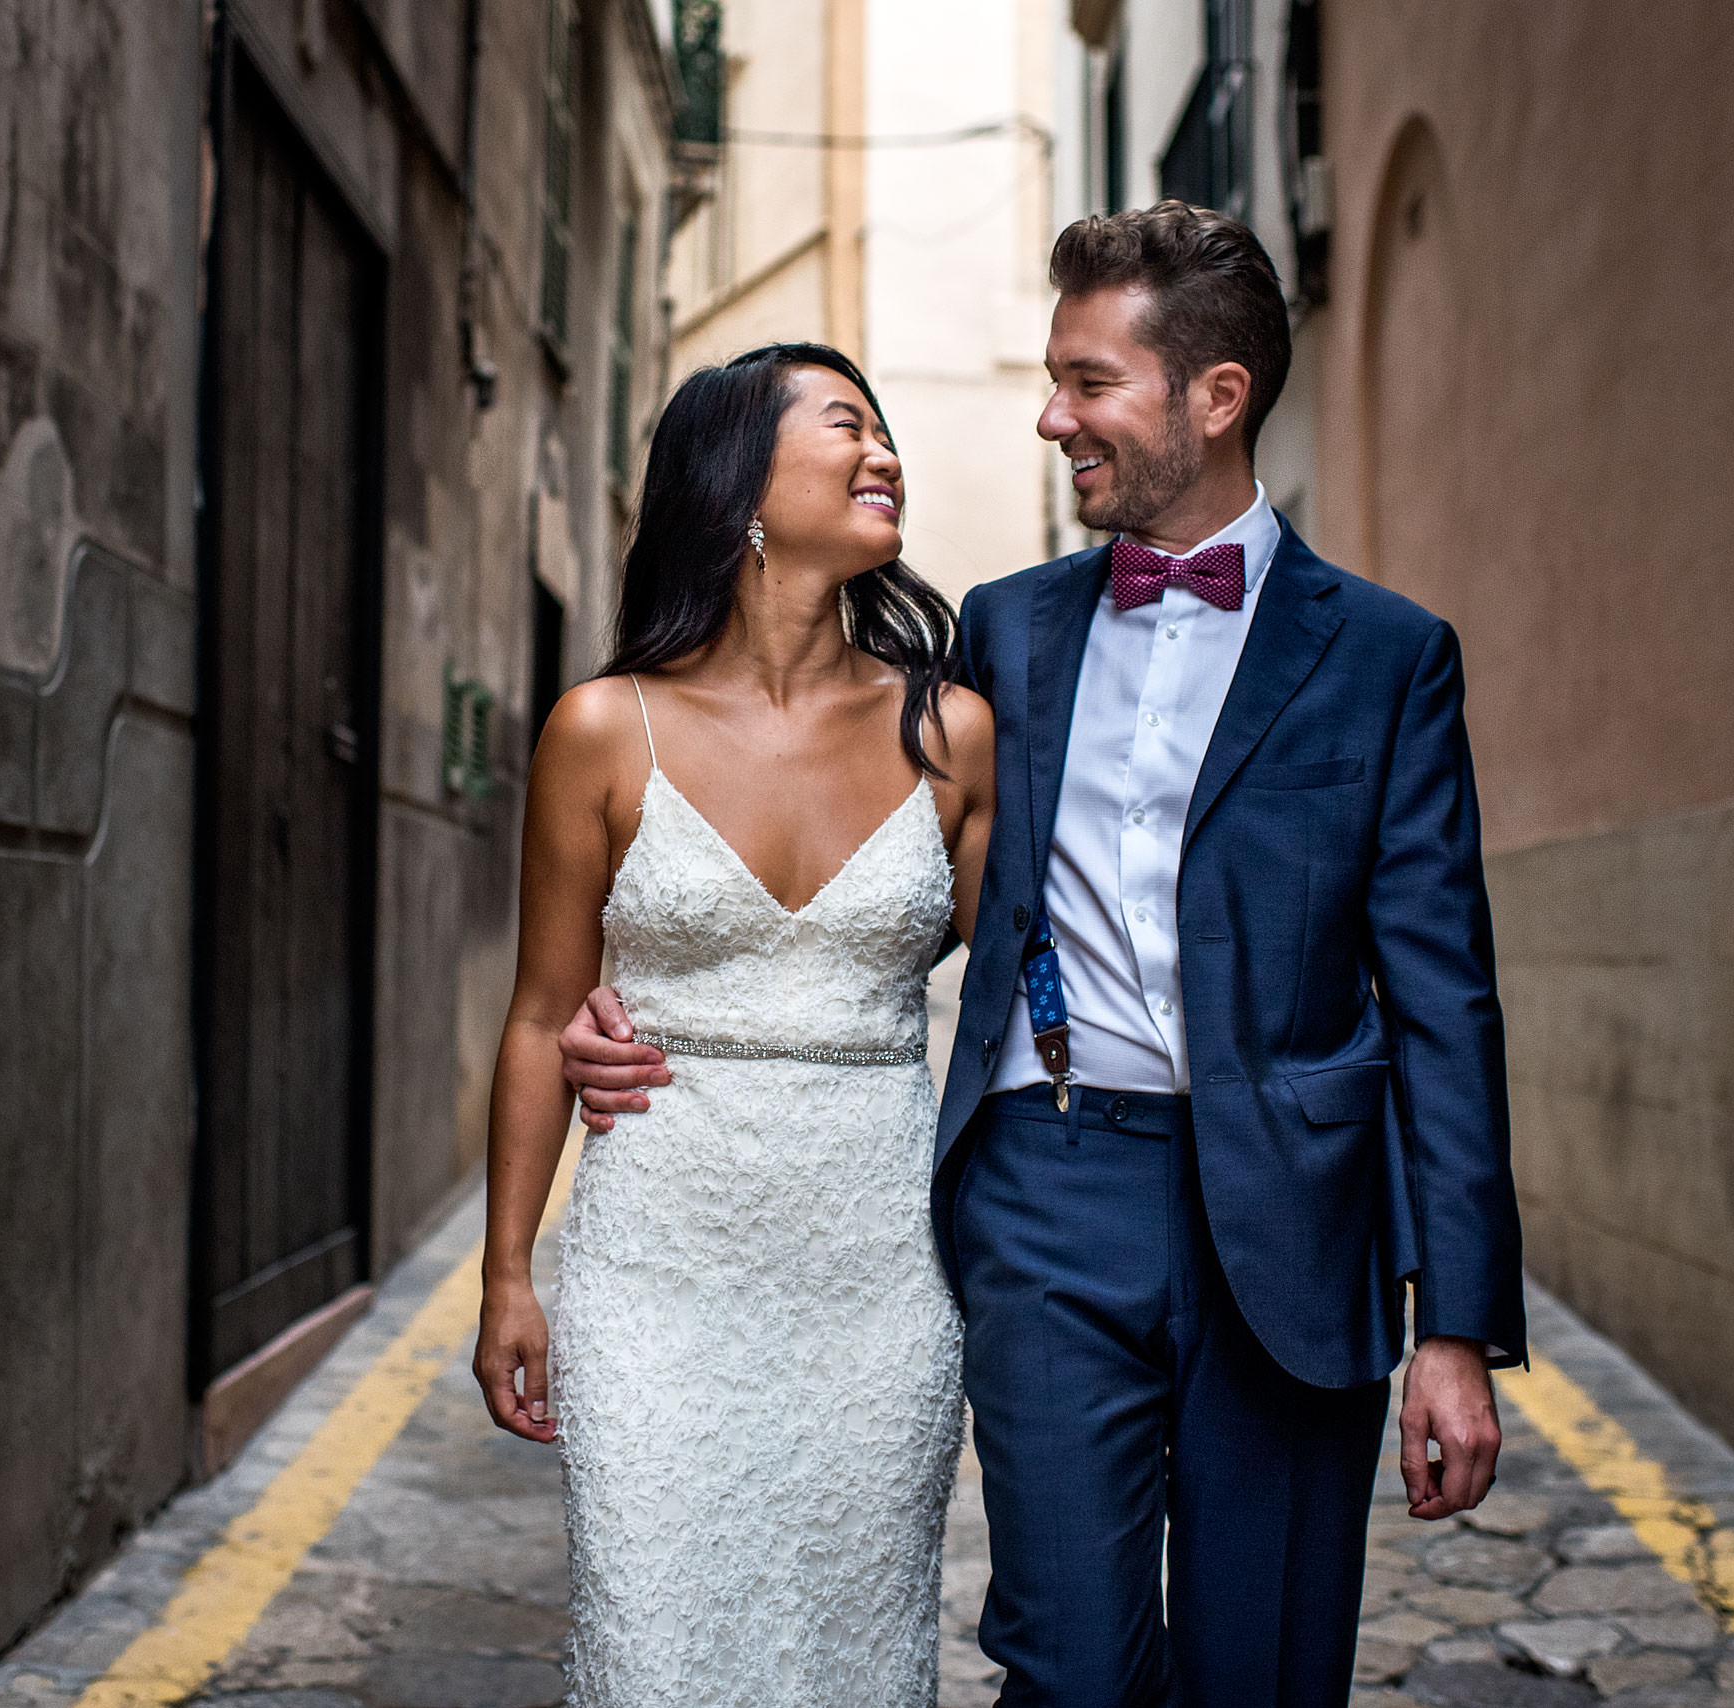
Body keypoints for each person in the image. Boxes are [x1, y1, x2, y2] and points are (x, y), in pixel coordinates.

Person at [566, 202, 1524, 1707]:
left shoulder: (1390, 655)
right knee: (1065, 1663)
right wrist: (653, 989)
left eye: (1088, 383)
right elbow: (845, 843)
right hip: (1048, 1187)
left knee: (1260, 1668)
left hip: (1291, 1215)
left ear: (1214, 398)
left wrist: (1456, 1326)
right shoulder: (998, 637)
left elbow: (1446, 1001)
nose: (1048, 417)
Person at [472, 343, 996, 1707]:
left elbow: (1027, 1000)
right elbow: (540, 1018)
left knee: (857, 1656)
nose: (885, 452)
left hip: (879, 1276)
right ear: (740, 484)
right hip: (657, 1275)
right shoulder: (601, 728)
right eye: (847, 426)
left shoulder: (954, 735)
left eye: (887, 431)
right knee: (653, 1653)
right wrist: (508, 1276)